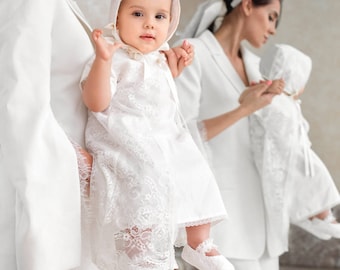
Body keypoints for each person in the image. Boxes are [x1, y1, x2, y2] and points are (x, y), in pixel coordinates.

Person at [79, 0, 234, 269]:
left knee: (195, 169)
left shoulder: (159, 57)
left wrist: (175, 69)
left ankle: (200, 243)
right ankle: (143, 251)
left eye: (161, 16)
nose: (150, 23)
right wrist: (103, 60)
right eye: (138, 13)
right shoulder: (113, 57)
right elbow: (96, 102)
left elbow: (159, 92)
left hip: (164, 136)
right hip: (126, 139)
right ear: (116, 20)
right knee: (147, 175)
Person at [174, 0, 285, 269]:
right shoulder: (192, 53)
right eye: (271, 17)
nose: (272, 29)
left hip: (263, 221)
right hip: (221, 222)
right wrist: (243, 109)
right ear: (247, 5)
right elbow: (179, 136)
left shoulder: (257, 67)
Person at [250, 43, 340, 241]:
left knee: (315, 179)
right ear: (291, 78)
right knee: (314, 178)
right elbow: (281, 131)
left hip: (295, 151)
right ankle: (321, 216)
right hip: (288, 153)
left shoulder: (285, 103)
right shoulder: (275, 102)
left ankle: (319, 215)